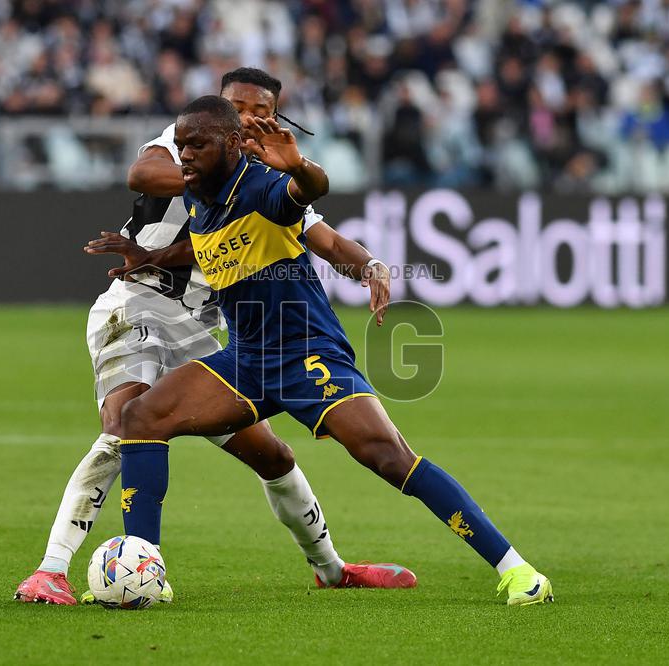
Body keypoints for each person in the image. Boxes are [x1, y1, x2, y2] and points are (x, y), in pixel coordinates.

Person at [112, 95, 554, 606]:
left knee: (387, 456)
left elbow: (305, 193)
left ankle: (517, 570)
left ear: (232, 144)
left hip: (307, 353)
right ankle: (143, 568)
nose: (184, 155)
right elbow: (209, 246)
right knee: (143, 417)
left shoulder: (263, 186)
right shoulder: (200, 199)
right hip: (247, 358)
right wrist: (151, 256)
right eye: (181, 144)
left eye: (197, 145)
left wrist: (299, 166)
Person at [14, 70, 414, 606]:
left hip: (203, 324)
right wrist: (209, 176)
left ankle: (332, 569)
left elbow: (324, 237)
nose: (248, 116)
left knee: (272, 456)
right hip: (138, 302)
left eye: (259, 109)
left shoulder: (267, 179)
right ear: (220, 117)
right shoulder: (185, 144)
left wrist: (370, 266)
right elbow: (142, 173)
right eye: (237, 107)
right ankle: (51, 570)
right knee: (126, 422)